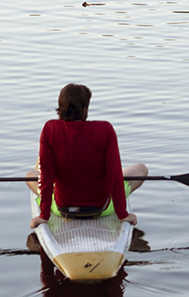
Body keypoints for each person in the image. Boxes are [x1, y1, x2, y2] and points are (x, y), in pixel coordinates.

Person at [28, 83, 148, 229]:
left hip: (62, 210)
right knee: (140, 169)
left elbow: (46, 176)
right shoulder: (105, 129)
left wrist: (44, 215)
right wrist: (123, 214)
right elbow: (114, 175)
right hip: (102, 209)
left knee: (31, 175)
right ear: (85, 107)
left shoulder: (49, 129)